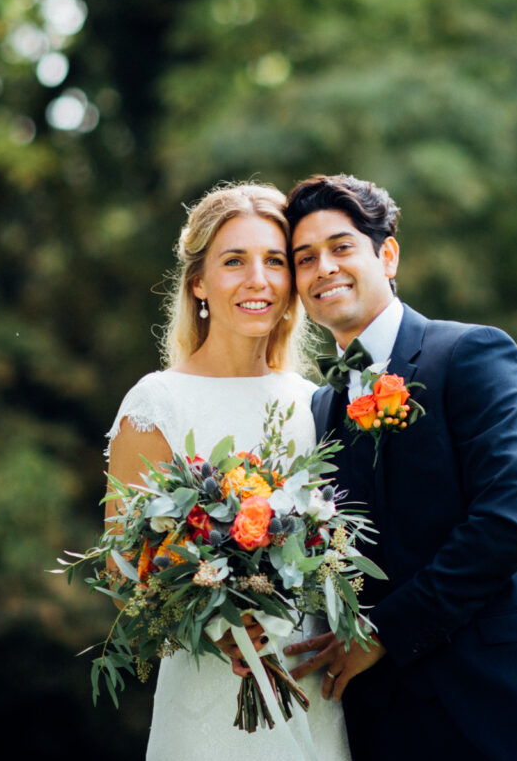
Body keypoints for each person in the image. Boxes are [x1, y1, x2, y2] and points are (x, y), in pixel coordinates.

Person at [282, 174, 517, 761]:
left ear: (387, 255)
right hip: (387, 722)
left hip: (507, 704)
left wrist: (383, 635)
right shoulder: (318, 406)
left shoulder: (471, 353)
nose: (323, 268)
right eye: (305, 259)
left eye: (341, 247)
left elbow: (507, 524)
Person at [104, 182, 351, 760]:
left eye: (274, 261)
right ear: (198, 282)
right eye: (234, 261)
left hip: (313, 685)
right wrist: (221, 629)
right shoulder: (156, 403)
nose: (257, 280)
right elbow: (122, 571)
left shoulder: (315, 403)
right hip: (212, 693)